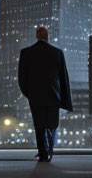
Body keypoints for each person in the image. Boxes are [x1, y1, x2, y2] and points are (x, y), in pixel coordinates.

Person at [18, 25, 72, 162]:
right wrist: (64, 97)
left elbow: (22, 79)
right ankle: (50, 149)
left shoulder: (26, 52)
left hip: (35, 96)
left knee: (39, 125)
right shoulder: (57, 53)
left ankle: (43, 153)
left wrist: (30, 93)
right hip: (53, 95)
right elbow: (63, 78)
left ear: (37, 36)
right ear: (47, 36)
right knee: (52, 124)